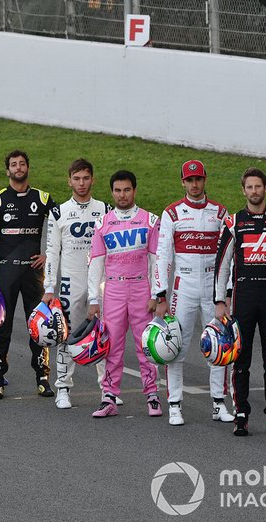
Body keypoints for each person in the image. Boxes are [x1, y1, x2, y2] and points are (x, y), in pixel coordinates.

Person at [154, 160, 234, 426]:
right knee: (175, 347)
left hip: (213, 287)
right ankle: (175, 405)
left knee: (220, 347)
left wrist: (227, 293)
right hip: (183, 287)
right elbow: (163, 256)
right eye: (190, 180)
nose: (195, 184)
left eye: (198, 179)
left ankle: (219, 404)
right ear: (183, 182)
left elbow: (229, 258)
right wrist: (160, 296)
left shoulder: (221, 213)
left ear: (205, 179)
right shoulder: (172, 213)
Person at [213, 167, 266, 436]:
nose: (254, 191)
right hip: (242, 299)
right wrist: (220, 301)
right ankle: (241, 414)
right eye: (249, 187)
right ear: (243, 190)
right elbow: (222, 265)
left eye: (258, 186)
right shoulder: (233, 222)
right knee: (241, 360)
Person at [0, 150, 57, 400]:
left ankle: (43, 378)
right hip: (5, 274)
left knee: (40, 326)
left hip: (34, 274)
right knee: (2, 327)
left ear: (28, 168)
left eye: (22, 164)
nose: (18, 167)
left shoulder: (43, 198)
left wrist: (49, 254)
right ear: (7, 171)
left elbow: (61, 227)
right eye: (13, 164)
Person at [87, 170, 162, 418]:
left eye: (127, 190)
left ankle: (152, 395)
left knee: (147, 345)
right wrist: (93, 299)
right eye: (118, 190)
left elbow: (156, 261)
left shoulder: (150, 220)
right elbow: (96, 262)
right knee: (113, 345)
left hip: (142, 289)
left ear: (135, 190)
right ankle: (108, 397)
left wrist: (157, 294)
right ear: (112, 192)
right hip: (114, 290)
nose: (122, 195)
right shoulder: (102, 223)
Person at [42, 158, 109, 409]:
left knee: (103, 333)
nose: (81, 183)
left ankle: (108, 389)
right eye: (77, 178)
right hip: (71, 280)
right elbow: (51, 252)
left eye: (86, 178)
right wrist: (50, 287)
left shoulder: (105, 209)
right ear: (69, 180)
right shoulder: (58, 212)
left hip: (100, 280)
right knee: (65, 334)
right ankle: (62, 387)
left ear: (93, 179)